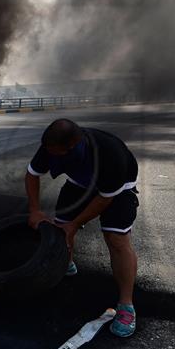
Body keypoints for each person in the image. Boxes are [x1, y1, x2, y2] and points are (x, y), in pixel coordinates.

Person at [25, 118, 139, 337]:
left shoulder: (109, 153)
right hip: (79, 184)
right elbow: (32, 174)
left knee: (117, 240)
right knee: (59, 229)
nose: (50, 156)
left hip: (118, 190)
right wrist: (35, 210)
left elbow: (104, 199)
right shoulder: (52, 145)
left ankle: (127, 305)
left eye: (56, 154)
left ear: (72, 147)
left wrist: (75, 223)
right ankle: (65, 264)